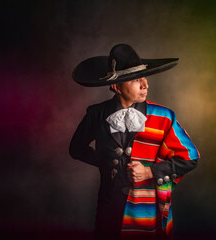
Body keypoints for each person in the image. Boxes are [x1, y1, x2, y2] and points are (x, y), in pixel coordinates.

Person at [69, 44, 199, 240]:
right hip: (109, 205)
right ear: (116, 86)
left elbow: (190, 158)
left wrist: (149, 171)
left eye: (144, 78)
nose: (145, 85)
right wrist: (106, 161)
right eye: (136, 80)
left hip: (147, 209)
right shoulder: (96, 114)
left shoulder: (164, 117)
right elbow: (76, 149)